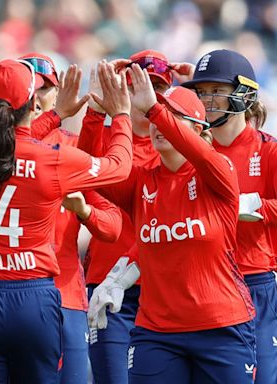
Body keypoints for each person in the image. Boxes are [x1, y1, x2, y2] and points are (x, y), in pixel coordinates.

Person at [0, 53, 126, 384]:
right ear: (33, 104)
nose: (40, 95)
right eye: (34, 88)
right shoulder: (58, 158)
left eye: (46, 86)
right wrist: (115, 114)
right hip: (35, 297)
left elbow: (110, 227)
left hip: (27, 297)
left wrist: (84, 211)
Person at [81, 63, 256, 383]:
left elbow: (202, 156)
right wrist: (99, 114)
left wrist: (153, 109)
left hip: (221, 328)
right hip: (156, 333)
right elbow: (88, 172)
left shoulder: (219, 173)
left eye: (175, 117)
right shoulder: (139, 183)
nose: (159, 122)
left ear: (201, 131)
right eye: (156, 117)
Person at [182, 49, 277, 384]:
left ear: (242, 95)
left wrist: (255, 207)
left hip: (254, 281)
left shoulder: (268, 150)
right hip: (200, 287)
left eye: (216, 92)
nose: (206, 101)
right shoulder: (188, 156)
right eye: (202, 92)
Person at [80, 50, 174, 384]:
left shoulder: (175, 146)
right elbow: (84, 173)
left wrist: (201, 88)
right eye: (136, 85)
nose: (149, 95)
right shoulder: (106, 139)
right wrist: (95, 110)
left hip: (161, 289)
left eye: (159, 88)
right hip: (109, 282)